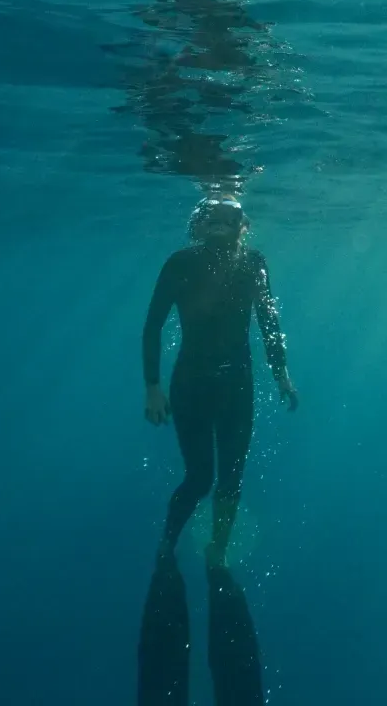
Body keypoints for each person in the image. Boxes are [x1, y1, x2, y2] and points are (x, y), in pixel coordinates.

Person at [144, 194, 298, 566]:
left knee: (231, 478)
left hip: (236, 387)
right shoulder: (181, 263)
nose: (220, 221)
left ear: (244, 227)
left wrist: (281, 374)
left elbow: (269, 322)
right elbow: (152, 327)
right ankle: (168, 543)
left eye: (230, 216)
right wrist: (152, 387)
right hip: (191, 385)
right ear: (197, 226)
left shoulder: (253, 262)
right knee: (200, 478)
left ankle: (218, 552)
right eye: (212, 216)